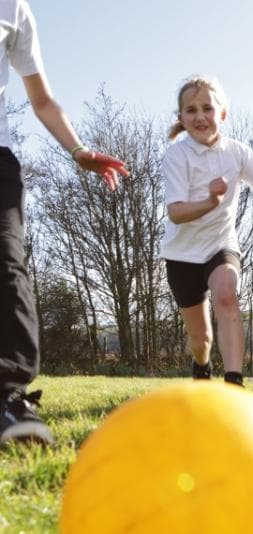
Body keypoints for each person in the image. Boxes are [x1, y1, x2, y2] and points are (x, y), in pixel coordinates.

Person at [0, 0, 128, 446]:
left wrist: (77, 150)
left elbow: (41, 98)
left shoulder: (14, 9)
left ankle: (9, 399)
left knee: (6, 261)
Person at [161, 77, 253, 388]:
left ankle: (234, 383)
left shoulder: (237, 152)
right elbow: (176, 213)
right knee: (200, 338)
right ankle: (201, 367)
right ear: (182, 119)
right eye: (191, 110)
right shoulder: (177, 155)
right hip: (181, 254)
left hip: (221, 246)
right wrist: (211, 201)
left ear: (223, 113)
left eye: (208, 107)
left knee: (227, 295)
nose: (200, 116)